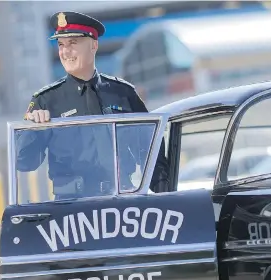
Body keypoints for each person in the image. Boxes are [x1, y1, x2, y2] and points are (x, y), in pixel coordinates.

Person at [17, 11, 169, 198]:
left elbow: (150, 152)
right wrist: (33, 131)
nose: (65, 51)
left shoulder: (122, 92)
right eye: (61, 44)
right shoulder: (46, 100)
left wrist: (166, 197)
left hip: (122, 200)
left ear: (94, 45)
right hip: (72, 208)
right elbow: (25, 163)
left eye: (73, 43)